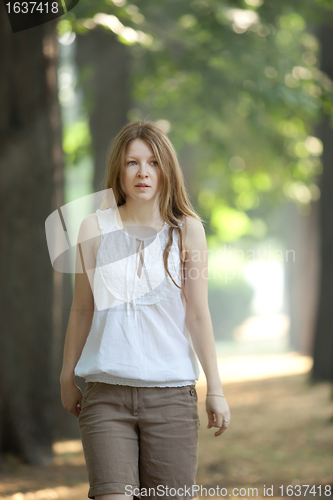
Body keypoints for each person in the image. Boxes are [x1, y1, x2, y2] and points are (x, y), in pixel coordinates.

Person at [60, 120, 230, 500]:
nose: (143, 172)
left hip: (171, 397)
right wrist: (66, 375)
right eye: (132, 163)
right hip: (106, 397)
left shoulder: (187, 231)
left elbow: (198, 315)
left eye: (153, 162)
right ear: (118, 171)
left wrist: (215, 389)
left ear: (166, 169)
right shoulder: (93, 229)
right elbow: (81, 310)